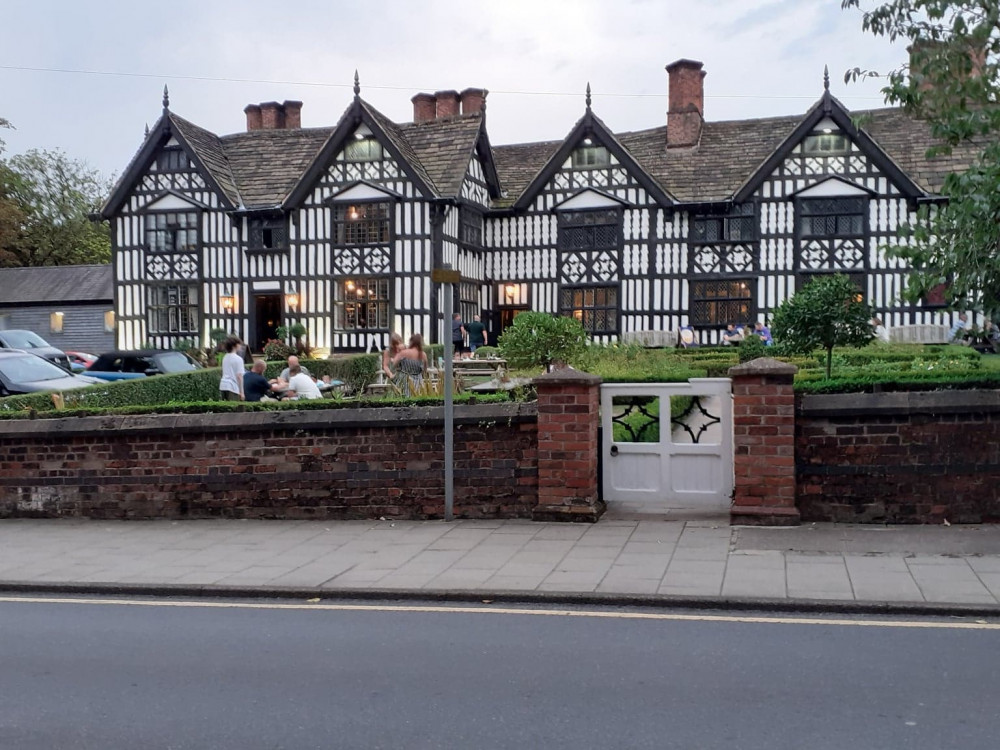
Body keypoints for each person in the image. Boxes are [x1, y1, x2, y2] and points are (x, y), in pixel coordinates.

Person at [218, 336, 245, 401]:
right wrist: (242, 392)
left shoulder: (225, 357)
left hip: (223, 385)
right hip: (232, 387)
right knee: (234, 408)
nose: (240, 346)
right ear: (234, 346)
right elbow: (239, 376)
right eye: (239, 344)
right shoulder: (238, 359)